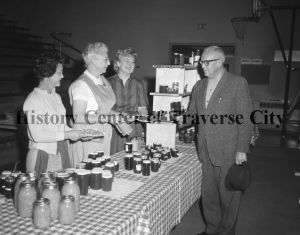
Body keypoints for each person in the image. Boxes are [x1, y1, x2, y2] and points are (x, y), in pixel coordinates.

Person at [179, 46, 253, 235]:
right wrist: (176, 119)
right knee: (209, 196)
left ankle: (226, 232)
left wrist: (242, 149)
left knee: (228, 197)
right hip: (205, 149)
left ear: (220, 62)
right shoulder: (199, 86)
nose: (202, 65)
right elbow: (192, 114)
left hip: (229, 150)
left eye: (206, 62)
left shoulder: (237, 83)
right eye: (201, 62)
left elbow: (245, 118)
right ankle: (212, 229)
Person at [23, 52, 83, 178]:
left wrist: (78, 133)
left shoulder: (56, 96)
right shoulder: (34, 99)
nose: (62, 76)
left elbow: (60, 126)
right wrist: (68, 134)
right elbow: (37, 135)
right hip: (42, 154)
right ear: (47, 74)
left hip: (60, 150)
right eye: (59, 72)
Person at [69, 42, 120, 167]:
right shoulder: (81, 84)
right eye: (105, 59)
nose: (108, 63)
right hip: (88, 136)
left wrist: (118, 115)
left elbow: (102, 108)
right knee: (88, 175)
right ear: (93, 60)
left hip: (103, 134)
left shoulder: (102, 80)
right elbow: (78, 117)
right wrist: (109, 118)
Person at [108, 48, 149, 155]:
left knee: (135, 157)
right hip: (115, 127)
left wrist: (141, 116)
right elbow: (104, 108)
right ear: (117, 63)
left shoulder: (139, 83)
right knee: (115, 158)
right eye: (127, 60)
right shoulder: (107, 83)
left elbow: (142, 109)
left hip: (134, 128)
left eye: (133, 61)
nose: (130, 64)